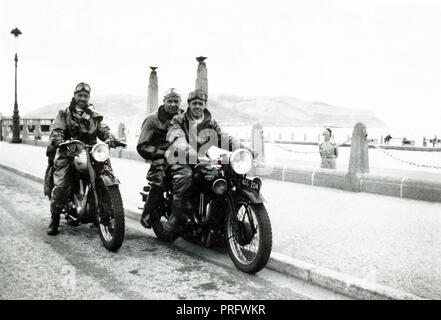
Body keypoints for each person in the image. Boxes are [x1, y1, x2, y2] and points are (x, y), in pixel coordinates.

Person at [163, 89, 252, 233]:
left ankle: (220, 219)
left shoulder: (210, 121)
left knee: (228, 174)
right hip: (180, 158)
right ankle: (175, 217)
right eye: (194, 103)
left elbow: (224, 138)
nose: (197, 106)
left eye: (200, 103)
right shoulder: (178, 120)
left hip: (203, 159)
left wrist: (245, 149)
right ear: (189, 105)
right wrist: (193, 155)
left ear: (205, 105)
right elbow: (178, 139)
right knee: (185, 177)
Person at [46, 82, 117, 236]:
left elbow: (102, 128)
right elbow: (57, 129)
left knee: (106, 172)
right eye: (80, 95)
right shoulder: (64, 112)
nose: (83, 98)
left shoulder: (93, 114)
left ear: (89, 97)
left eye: (85, 96)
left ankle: (107, 211)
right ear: (75, 96)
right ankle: (55, 218)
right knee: (61, 185)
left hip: (90, 151)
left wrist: (110, 137)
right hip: (69, 151)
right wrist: (60, 141)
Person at [136, 88, 183, 228]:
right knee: (159, 180)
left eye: (176, 101)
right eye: (170, 101)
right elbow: (142, 146)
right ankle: (147, 213)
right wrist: (162, 153)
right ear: (164, 102)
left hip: (181, 157)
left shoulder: (184, 118)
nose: (173, 104)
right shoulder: (152, 119)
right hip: (160, 158)